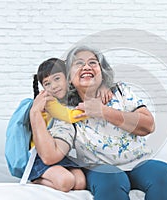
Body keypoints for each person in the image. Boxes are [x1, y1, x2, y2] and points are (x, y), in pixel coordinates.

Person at [42, 45, 167, 199]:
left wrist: (103, 111)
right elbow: (53, 153)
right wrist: (36, 114)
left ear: (102, 71)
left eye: (93, 62)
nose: (86, 66)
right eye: (78, 63)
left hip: (139, 163)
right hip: (100, 169)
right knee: (112, 178)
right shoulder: (66, 110)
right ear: (69, 78)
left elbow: (148, 125)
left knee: (163, 172)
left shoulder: (120, 92)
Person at [29, 58, 112, 192]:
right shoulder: (49, 101)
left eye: (57, 79)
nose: (53, 86)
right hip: (41, 155)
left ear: (68, 79)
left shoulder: (69, 100)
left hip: (63, 155)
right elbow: (69, 115)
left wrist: (102, 87)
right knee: (66, 182)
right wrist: (94, 108)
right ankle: (36, 179)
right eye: (47, 83)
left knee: (80, 183)